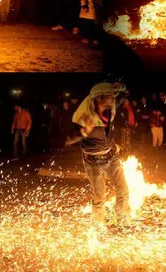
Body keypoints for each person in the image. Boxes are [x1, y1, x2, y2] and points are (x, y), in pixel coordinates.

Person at [66, 83, 131, 230]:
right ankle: (98, 228)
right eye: (110, 97)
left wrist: (120, 87)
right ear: (99, 97)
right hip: (93, 161)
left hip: (111, 156)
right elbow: (68, 139)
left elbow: (124, 94)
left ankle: (124, 222)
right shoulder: (83, 116)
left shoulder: (109, 107)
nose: (113, 100)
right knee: (99, 197)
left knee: (123, 191)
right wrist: (83, 132)